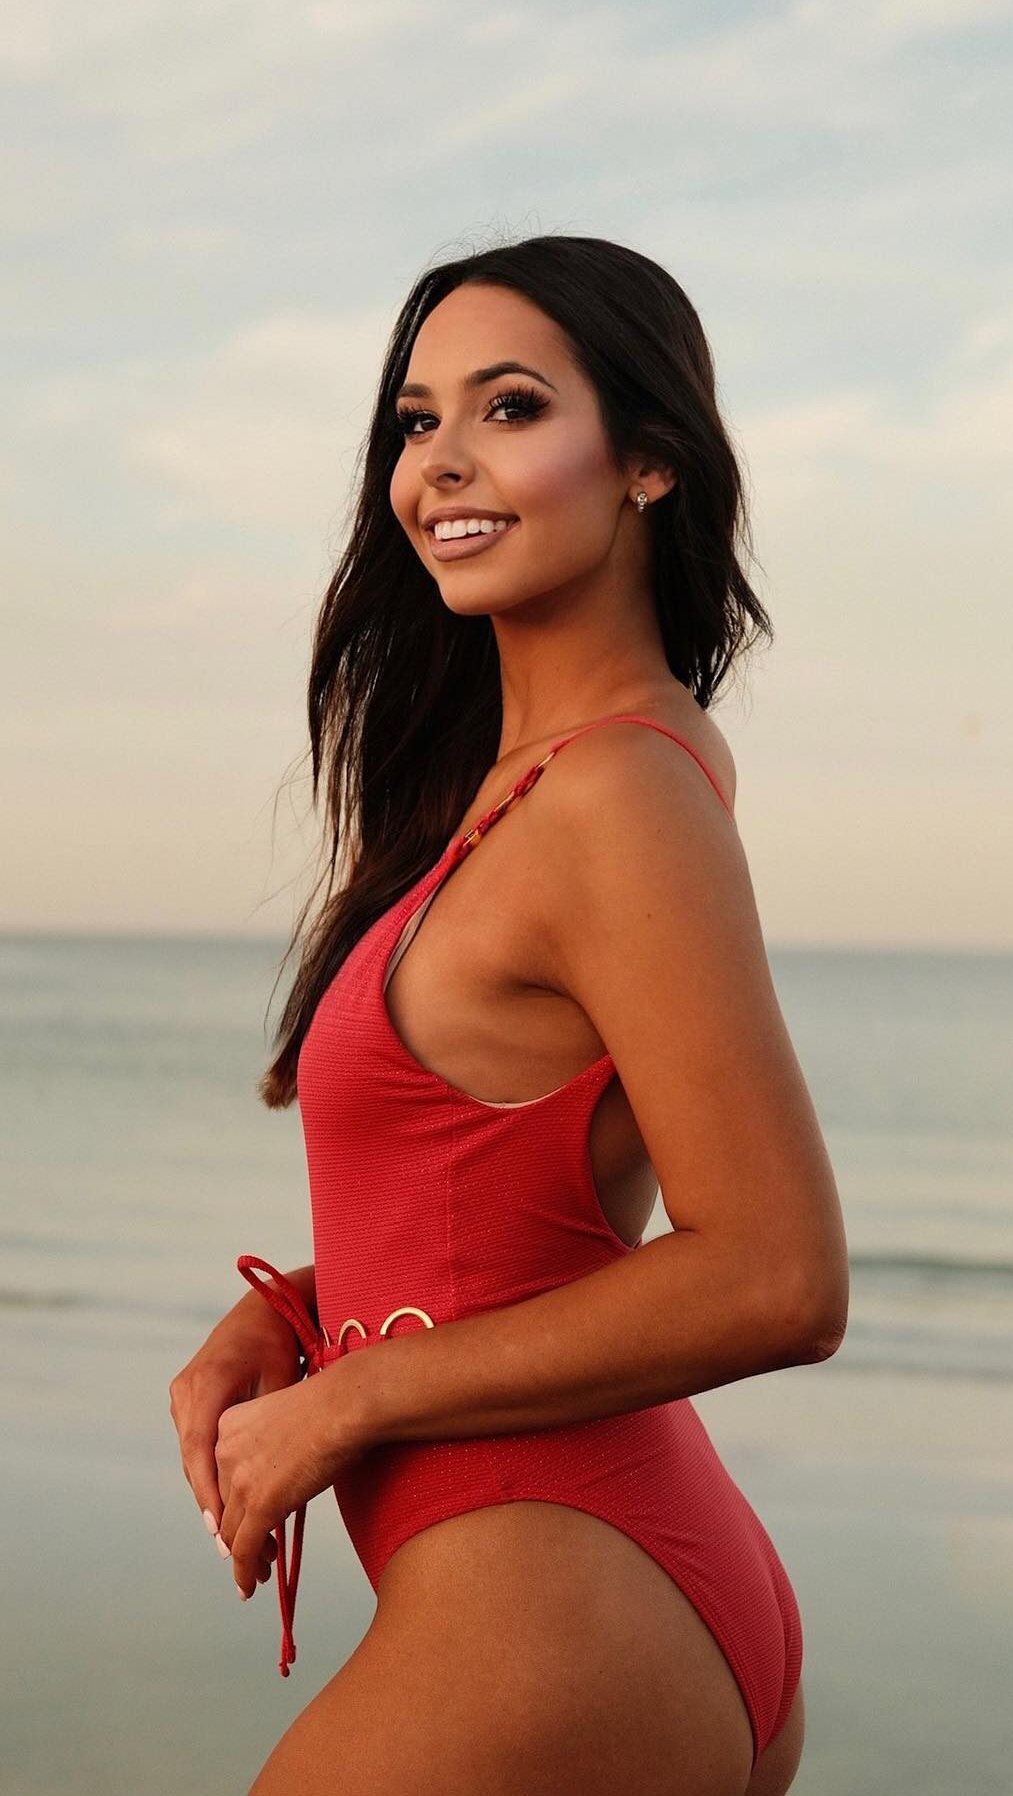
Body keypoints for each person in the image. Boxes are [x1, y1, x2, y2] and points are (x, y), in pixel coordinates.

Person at [169, 234, 849, 1796]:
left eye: (511, 406)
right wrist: (292, 1317)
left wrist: (349, 1397)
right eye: (415, 420)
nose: (441, 464)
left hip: (557, 1604)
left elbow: (775, 1274)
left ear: (651, 464)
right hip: (592, 1590)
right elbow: (505, 1215)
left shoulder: (616, 790)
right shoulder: (543, 785)